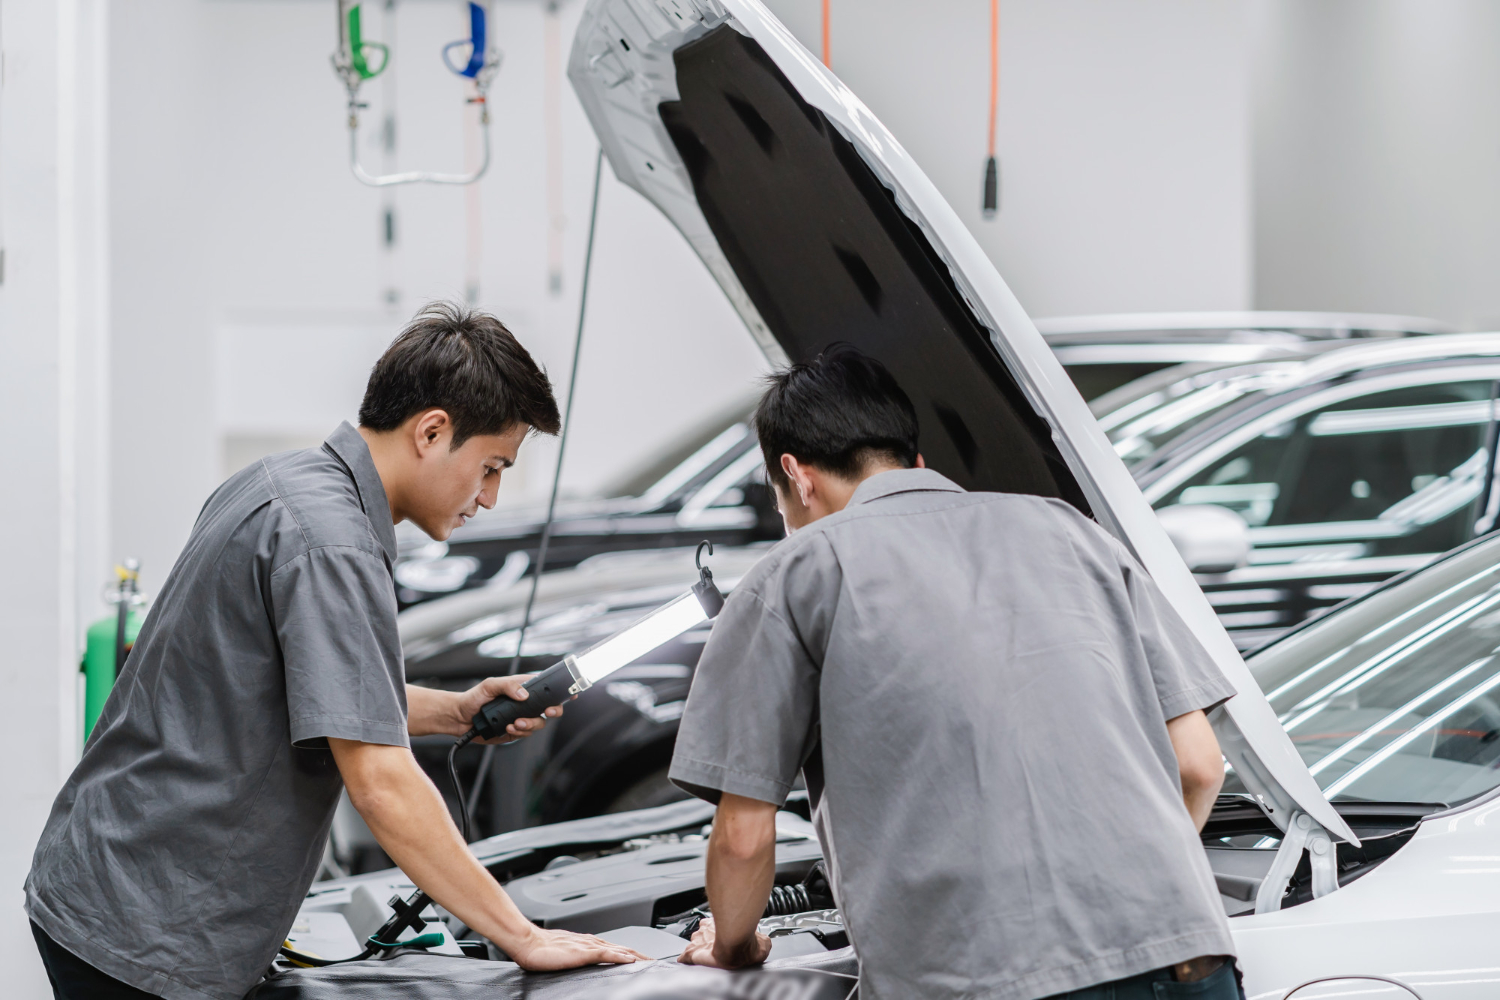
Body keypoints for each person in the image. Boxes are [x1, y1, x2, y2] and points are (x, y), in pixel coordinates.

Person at [26, 303, 647, 1000]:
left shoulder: (282, 481)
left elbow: (305, 689)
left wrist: (457, 711)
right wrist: (524, 937)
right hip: (146, 926)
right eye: (492, 465)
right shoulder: (332, 543)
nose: (492, 496)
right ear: (433, 430)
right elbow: (380, 780)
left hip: (108, 877)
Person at [669, 345, 1243, 1000]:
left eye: (783, 505)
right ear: (916, 460)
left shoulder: (797, 572)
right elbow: (1199, 764)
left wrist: (733, 944)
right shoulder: (1070, 531)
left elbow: (744, 840)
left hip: (987, 980)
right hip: (1188, 953)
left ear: (796, 478)